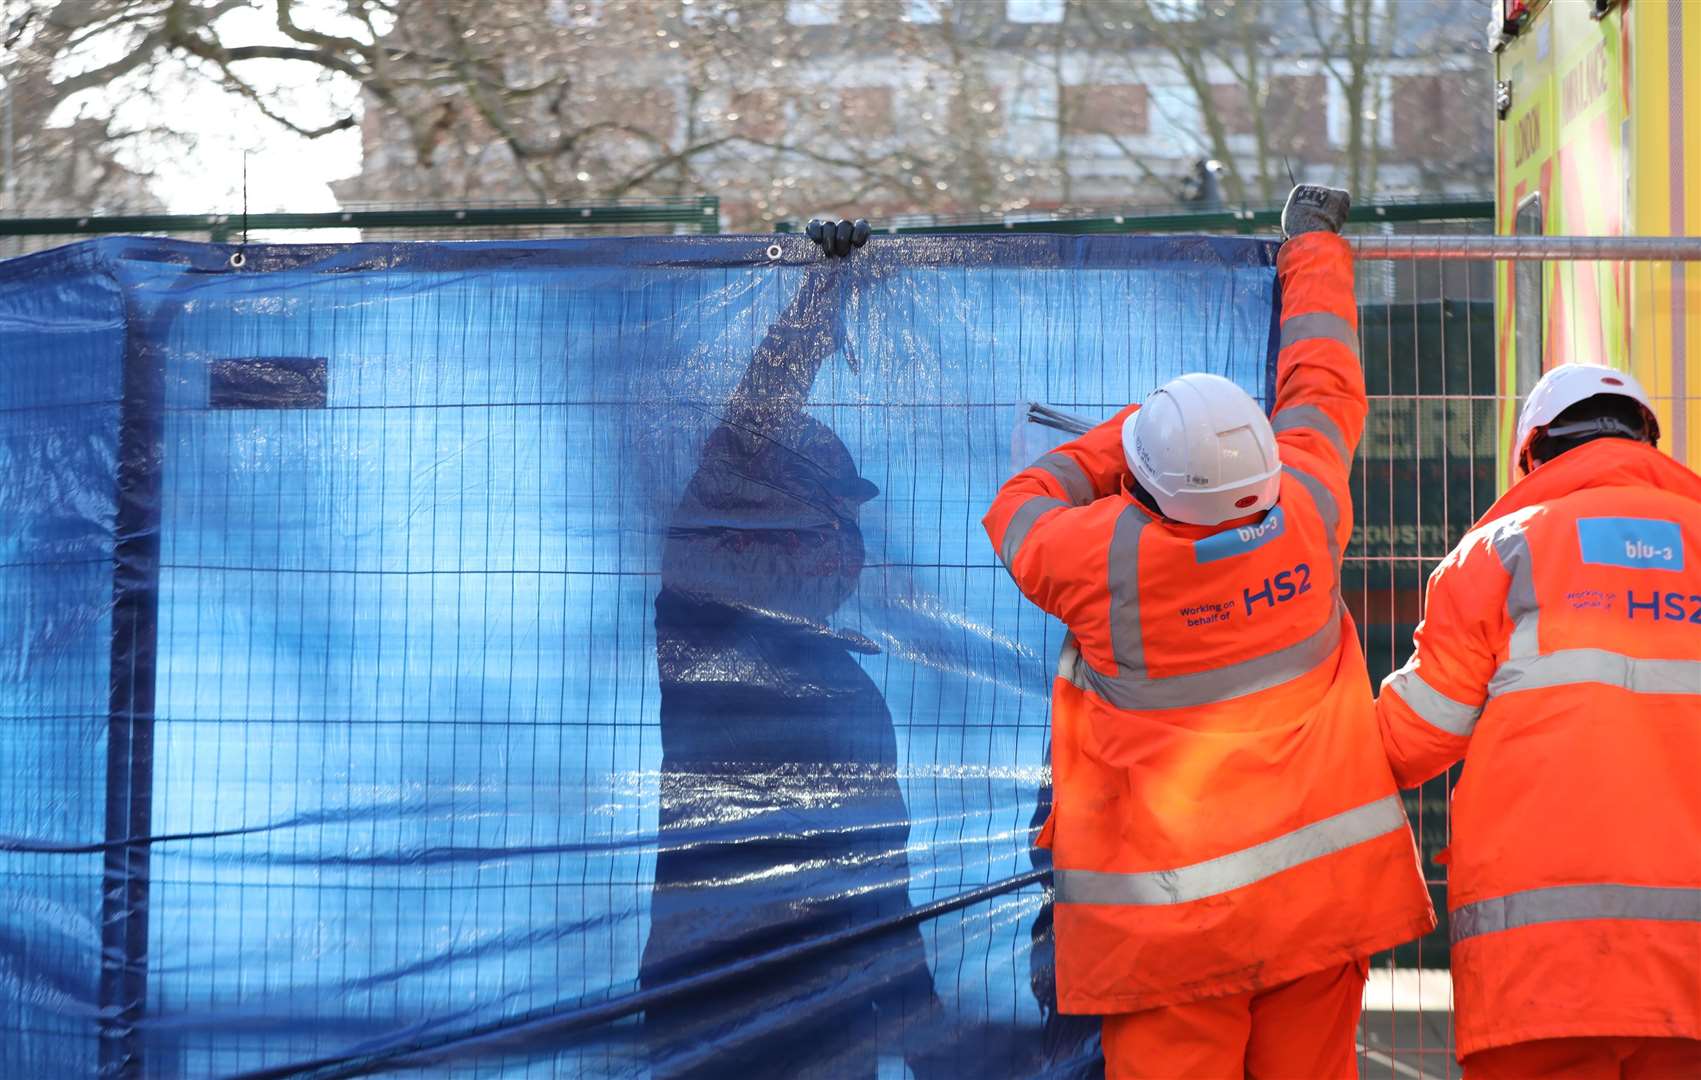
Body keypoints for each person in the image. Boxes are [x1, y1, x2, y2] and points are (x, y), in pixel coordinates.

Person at [982, 185, 1434, 1079]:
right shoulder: (1307, 502)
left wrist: (1122, 435)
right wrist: (1311, 244)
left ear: (1146, 485)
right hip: (1320, 905)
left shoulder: (1099, 557)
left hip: (1166, 932)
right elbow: (1324, 380)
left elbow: (1018, 505)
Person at [641, 219, 946, 1079]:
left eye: (846, 532)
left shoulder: (839, 678)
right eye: (826, 522)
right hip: (721, 998)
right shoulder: (704, 612)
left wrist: (919, 1033)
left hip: (814, 1011)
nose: (842, 551)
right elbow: (760, 406)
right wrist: (823, 292)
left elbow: (881, 884)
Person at [1375, 363, 1701, 1080]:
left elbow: (1411, 736)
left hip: (1541, 967)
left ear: (1532, 452)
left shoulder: (1498, 551)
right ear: (1646, 441)